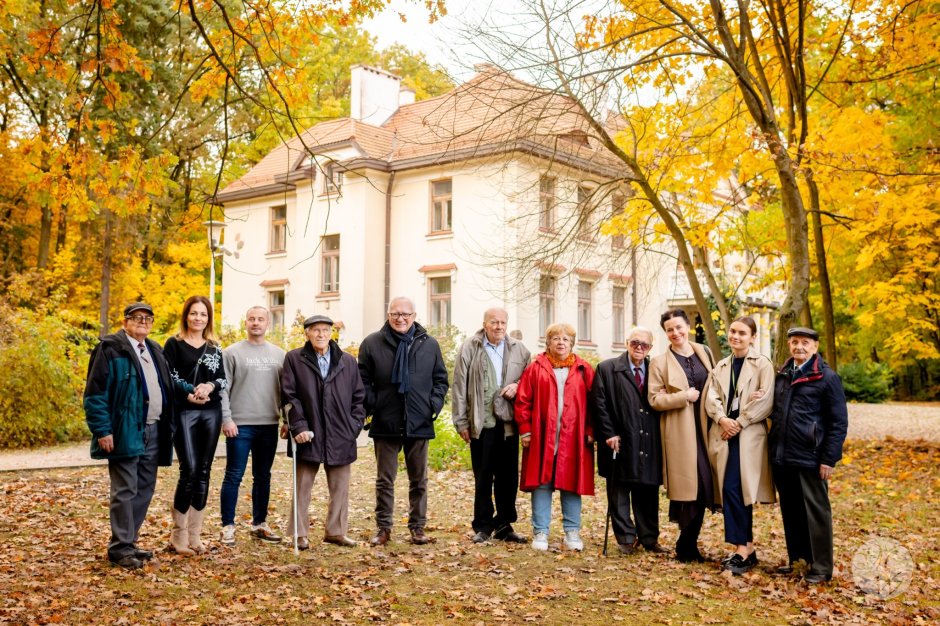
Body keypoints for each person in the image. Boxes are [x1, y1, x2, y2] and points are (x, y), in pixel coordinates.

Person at [84, 303, 176, 569]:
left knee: (144, 488)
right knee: (125, 488)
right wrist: (102, 430)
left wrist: (192, 390)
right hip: (125, 429)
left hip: (155, 429)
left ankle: (129, 542)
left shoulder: (155, 349)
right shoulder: (110, 349)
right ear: (125, 322)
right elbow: (95, 394)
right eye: (137, 318)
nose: (143, 322)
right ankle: (119, 547)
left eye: (148, 318)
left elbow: (168, 382)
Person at [358, 297, 449, 546]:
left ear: (414, 315)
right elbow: (362, 379)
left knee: (419, 479)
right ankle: (383, 528)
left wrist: (434, 404)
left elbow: (441, 379)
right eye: (395, 314)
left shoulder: (428, 344)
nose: (401, 319)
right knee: (385, 480)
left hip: (419, 421)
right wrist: (374, 403)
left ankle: (418, 528)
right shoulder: (372, 343)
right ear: (388, 315)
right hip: (386, 421)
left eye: (406, 314)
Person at [769, 327, 848, 584]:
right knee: (792, 511)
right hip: (783, 457)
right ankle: (799, 561)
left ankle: (822, 567)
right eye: (794, 342)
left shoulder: (827, 378)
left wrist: (829, 459)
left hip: (811, 458)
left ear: (815, 347)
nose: (798, 347)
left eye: (804, 343)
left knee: (816, 513)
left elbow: (838, 423)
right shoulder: (782, 375)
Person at [282, 315, 366, 549]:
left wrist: (353, 426)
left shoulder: (348, 361)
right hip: (307, 432)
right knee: (302, 487)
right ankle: (299, 533)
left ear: (332, 333)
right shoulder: (294, 359)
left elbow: (359, 397)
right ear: (307, 333)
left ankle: (336, 531)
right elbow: (289, 396)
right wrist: (298, 426)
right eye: (315, 330)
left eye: (325, 330)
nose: (321, 334)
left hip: (341, 433)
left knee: (340, 487)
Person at [452, 307, 531, 544]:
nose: (499, 326)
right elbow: (458, 386)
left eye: (502, 322)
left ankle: (504, 525)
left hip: (508, 423)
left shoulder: (520, 349)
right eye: (494, 322)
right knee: (484, 476)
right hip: (481, 422)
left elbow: (530, 378)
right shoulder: (470, 347)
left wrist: (517, 385)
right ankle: (483, 526)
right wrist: (461, 421)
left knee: (508, 478)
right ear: (485, 324)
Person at [704, 317, 775, 574]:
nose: (735, 336)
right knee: (730, 489)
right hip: (724, 435)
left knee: (737, 488)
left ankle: (743, 549)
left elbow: (766, 401)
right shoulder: (721, 366)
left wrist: (740, 422)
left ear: (752, 337)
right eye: (733, 331)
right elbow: (710, 397)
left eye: (742, 333)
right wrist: (723, 419)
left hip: (748, 438)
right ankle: (745, 548)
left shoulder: (762, 365)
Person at [515, 323, 595, 552]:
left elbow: (594, 404)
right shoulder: (535, 368)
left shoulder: (583, 369)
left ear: (572, 343)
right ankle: (541, 532)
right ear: (548, 342)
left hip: (574, 438)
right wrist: (526, 430)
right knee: (542, 484)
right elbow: (523, 401)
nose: (561, 342)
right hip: (542, 437)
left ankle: (572, 531)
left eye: (566, 339)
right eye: (556, 338)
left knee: (571, 484)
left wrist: (591, 431)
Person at [592, 327, 668, 555]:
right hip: (619, 439)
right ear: (627, 343)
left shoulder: (657, 370)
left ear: (650, 348)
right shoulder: (607, 368)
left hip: (649, 439)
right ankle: (626, 538)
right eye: (635, 342)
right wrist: (608, 434)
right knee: (619, 490)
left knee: (648, 491)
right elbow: (599, 404)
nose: (639, 348)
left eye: (644, 345)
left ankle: (649, 538)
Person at [648, 309, 714, 562]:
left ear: (688, 326)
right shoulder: (660, 362)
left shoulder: (703, 352)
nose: (675, 333)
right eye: (670, 330)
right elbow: (654, 399)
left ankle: (688, 543)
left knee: (706, 485)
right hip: (680, 430)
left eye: (679, 327)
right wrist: (682, 397)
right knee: (690, 486)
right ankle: (685, 545)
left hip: (706, 427)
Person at [163, 295, 227, 555]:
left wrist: (210, 385)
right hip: (185, 410)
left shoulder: (214, 347)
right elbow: (168, 375)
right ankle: (178, 536)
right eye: (194, 313)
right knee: (188, 470)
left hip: (211, 412)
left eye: (203, 314)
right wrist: (188, 392)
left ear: (208, 318)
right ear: (186, 316)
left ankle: (195, 535)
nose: (198, 318)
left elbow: (222, 378)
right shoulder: (173, 344)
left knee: (204, 470)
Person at [218, 306, 286, 546]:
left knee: (263, 476)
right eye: (251, 319)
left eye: (260, 319)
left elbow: (285, 392)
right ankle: (227, 526)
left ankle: (259, 523)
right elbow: (222, 389)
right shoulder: (231, 353)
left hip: (268, 424)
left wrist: (286, 421)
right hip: (240, 425)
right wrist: (226, 419)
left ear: (268, 323)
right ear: (245, 322)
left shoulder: (280, 355)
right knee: (234, 475)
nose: (256, 323)